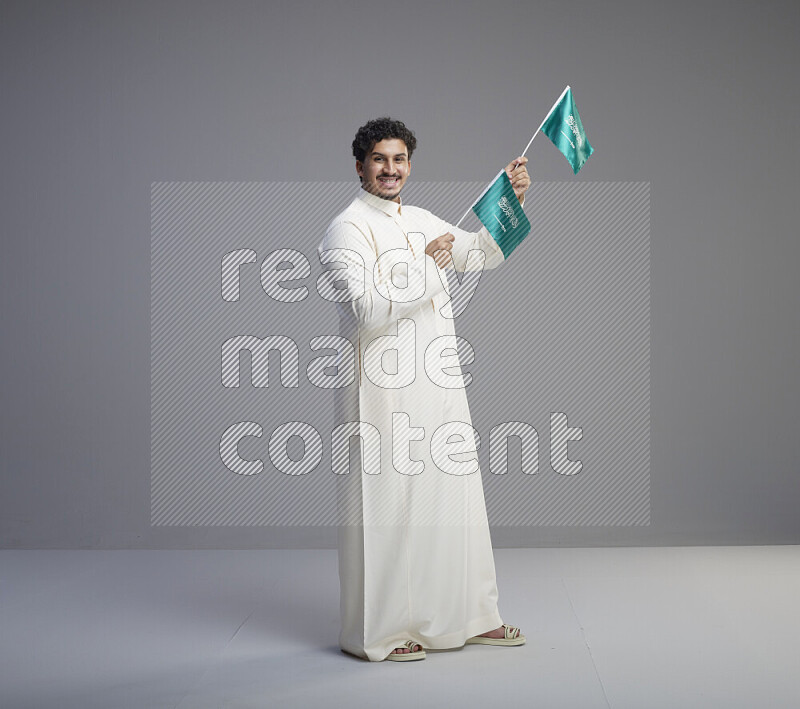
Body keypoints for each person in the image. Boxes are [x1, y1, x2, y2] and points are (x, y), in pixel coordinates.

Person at [318, 117, 531, 662]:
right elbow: (367, 310)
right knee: (386, 505)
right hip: (382, 390)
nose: (391, 170)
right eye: (380, 160)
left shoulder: (419, 219)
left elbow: (479, 255)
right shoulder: (346, 228)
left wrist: (510, 201)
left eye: (400, 160)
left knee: (453, 497)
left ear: (409, 164)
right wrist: (428, 267)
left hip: (436, 381)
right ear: (360, 165)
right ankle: (378, 632)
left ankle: (473, 616)